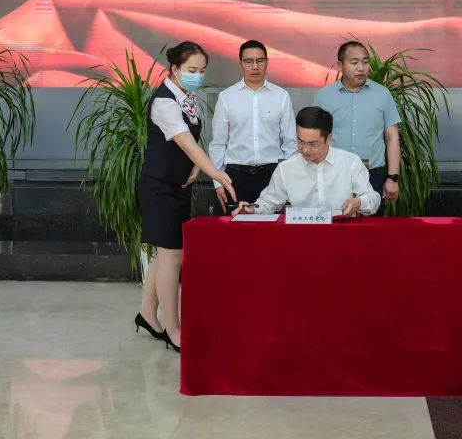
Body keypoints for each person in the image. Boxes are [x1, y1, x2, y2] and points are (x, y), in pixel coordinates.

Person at [135, 41, 236, 353]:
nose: (198, 76)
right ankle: (173, 329)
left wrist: (194, 166)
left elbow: (192, 140)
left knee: (166, 254)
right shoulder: (164, 102)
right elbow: (185, 143)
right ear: (175, 69)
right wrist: (216, 172)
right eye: (192, 70)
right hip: (159, 188)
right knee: (172, 257)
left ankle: (147, 314)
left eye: (202, 70)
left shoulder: (186, 97)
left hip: (178, 186)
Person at [232, 106, 381, 217]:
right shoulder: (286, 168)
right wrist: (252, 209)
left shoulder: (350, 162)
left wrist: (359, 202)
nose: (305, 149)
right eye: (300, 141)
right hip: (301, 235)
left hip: (342, 232)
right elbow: (268, 202)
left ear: (328, 139)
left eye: (313, 144)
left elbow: (373, 199)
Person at [209, 40, 297, 213]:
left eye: (260, 61)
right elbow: (218, 144)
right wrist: (218, 182)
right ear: (241, 64)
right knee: (236, 226)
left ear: (267, 62)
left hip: (271, 177)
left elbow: (290, 142)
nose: (255, 67)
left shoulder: (281, 96)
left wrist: (287, 179)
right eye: (249, 61)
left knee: (271, 228)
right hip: (235, 177)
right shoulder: (227, 97)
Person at [313, 41, 401, 209]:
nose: (361, 68)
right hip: (334, 174)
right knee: (336, 221)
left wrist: (393, 178)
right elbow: (316, 138)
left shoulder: (383, 94)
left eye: (365, 62)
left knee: (371, 223)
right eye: (354, 62)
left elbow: (392, 137)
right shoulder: (324, 97)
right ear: (340, 65)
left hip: (373, 174)